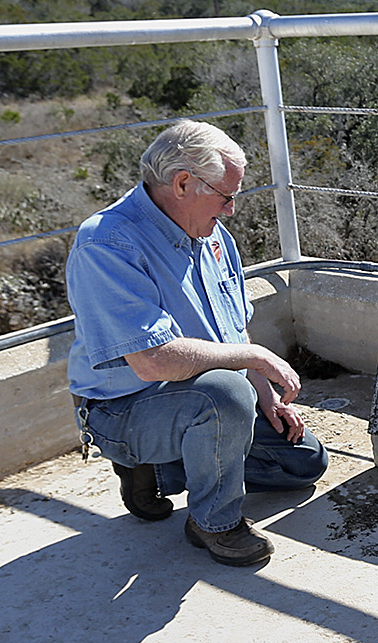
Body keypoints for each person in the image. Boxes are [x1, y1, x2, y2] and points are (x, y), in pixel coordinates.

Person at [65, 120, 327, 565]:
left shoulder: (211, 235)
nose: (229, 211)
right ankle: (214, 522)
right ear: (183, 183)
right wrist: (256, 360)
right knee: (223, 396)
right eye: (226, 197)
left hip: (198, 395)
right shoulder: (106, 243)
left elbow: (230, 332)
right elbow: (152, 362)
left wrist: (265, 397)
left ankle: (161, 469)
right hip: (123, 407)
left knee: (303, 462)